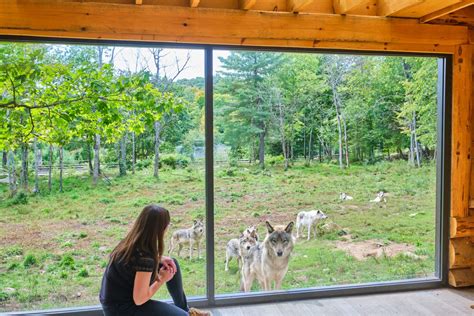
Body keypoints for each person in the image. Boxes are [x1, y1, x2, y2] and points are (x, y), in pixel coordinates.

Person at [99, 204, 211, 316]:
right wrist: (161, 279)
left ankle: (186, 310)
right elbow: (139, 299)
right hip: (121, 310)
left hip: (114, 300)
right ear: (160, 228)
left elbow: (133, 262)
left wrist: (159, 258)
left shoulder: (131, 241)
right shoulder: (145, 258)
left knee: (171, 263)